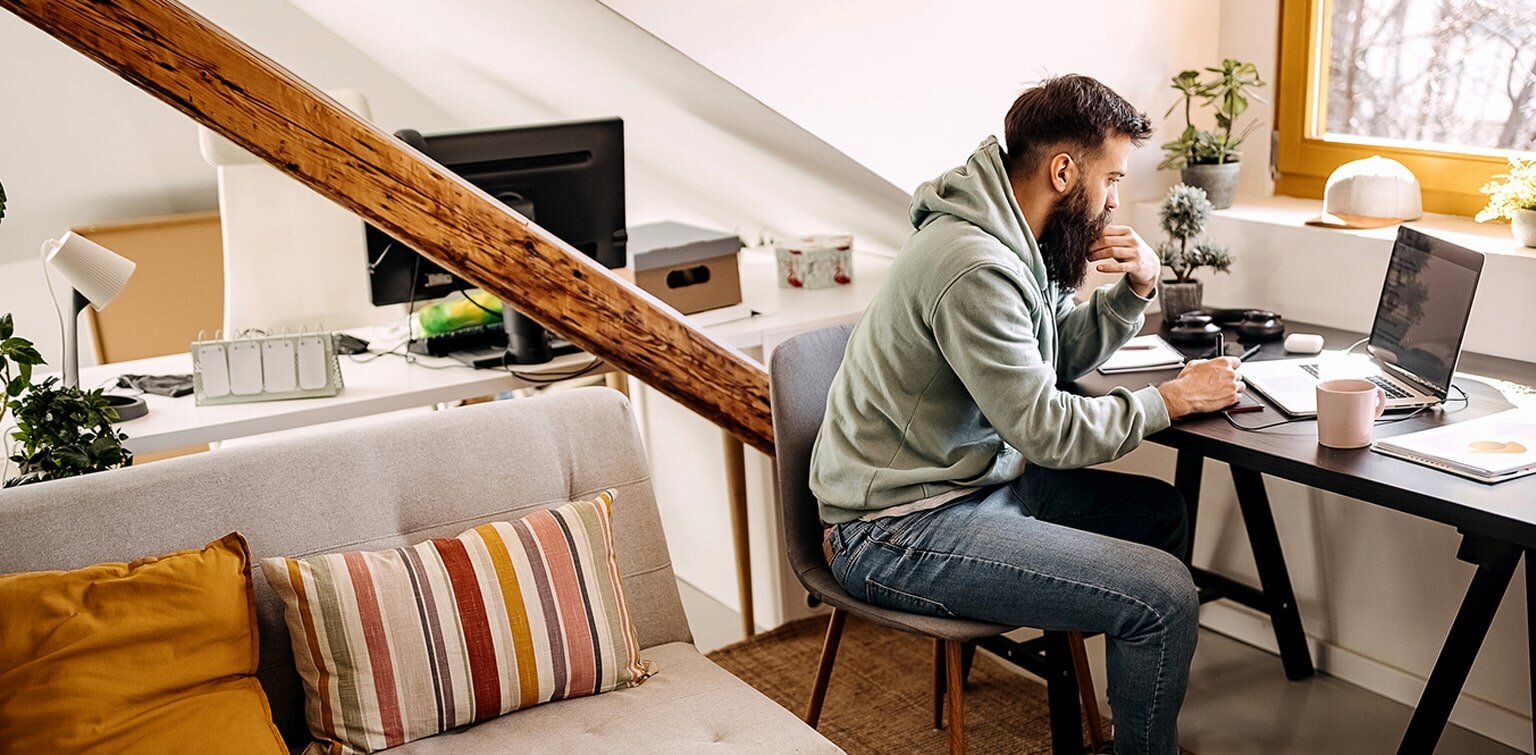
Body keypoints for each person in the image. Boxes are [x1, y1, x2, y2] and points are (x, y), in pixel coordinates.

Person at [809, 74, 1243, 754]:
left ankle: (1129, 717)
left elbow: (1053, 350)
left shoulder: (1019, 236)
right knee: (1161, 596)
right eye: (1112, 178)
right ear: (1064, 172)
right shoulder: (974, 265)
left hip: (973, 486)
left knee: (1160, 516)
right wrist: (1173, 398)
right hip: (894, 528)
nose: (1114, 200)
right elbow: (1047, 430)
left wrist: (1136, 290)